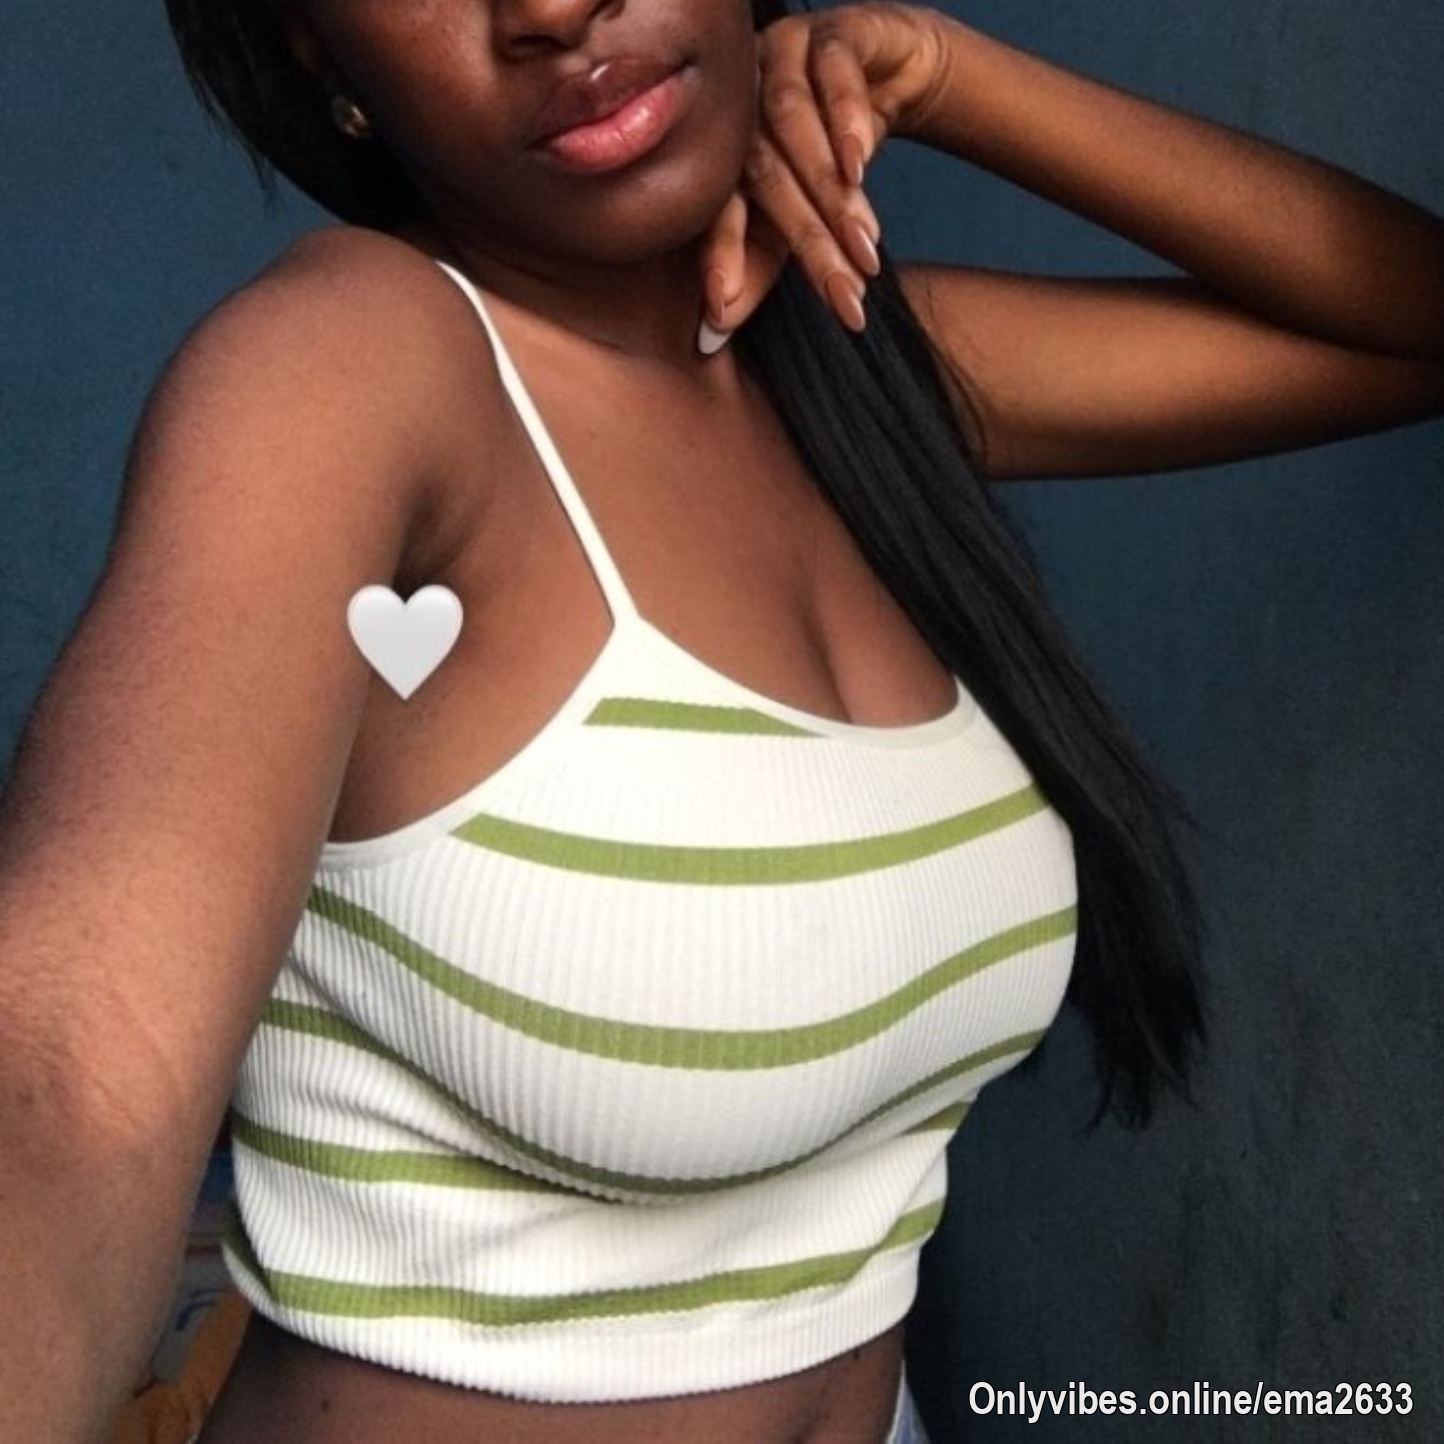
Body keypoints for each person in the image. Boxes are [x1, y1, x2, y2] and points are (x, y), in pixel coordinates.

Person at [1, 2, 1440, 1441]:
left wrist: (945, 75)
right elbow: (71, 1075)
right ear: (316, 46)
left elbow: (1407, 321)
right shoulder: (349, 368)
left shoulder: (861, 374)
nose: (551, 7)